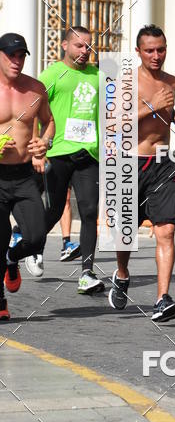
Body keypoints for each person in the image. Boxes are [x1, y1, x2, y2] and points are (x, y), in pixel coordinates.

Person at [108, 25, 175, 322]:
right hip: (129, 162)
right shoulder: (125, 81)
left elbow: (166, 117)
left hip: (163, 162)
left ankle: (162, 298)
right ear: (138, 52)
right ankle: (122, 273)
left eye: (161, 49)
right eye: (150, 50)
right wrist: (151, 107)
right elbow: (113, 125)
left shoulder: (172, 81)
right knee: (124, 233)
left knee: (166, 230)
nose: (157, 56)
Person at [33, 26, 104, 294]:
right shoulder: (51, 75)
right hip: (57, 153)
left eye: (88, 46)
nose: (85, 51)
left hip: (89, 154)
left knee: (88, 211)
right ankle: (32, 247)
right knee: (52, 211)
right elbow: (34, 112)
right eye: (79, 46)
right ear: (65, 45)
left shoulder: (98, 75)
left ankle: (86, 273)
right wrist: (37, 148)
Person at [0, 33, 54, 319]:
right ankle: (0, 302)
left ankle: (12, 259)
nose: (17, 61)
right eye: (11, 55)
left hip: (23, 176)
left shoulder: (35, 89)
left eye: (21, 55)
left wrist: (45, 144)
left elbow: (49, 123)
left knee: (36, 236)